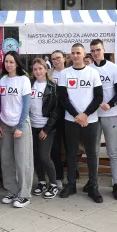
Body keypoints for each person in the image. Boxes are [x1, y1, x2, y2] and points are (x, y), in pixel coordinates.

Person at [57, 43, 104, 203]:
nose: (75, 55)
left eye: (78, 53)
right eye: (73, 53)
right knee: (71, 153)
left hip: (90, 120)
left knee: (92, 154)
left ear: (84, 55)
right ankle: (71, 184)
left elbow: (98, 97)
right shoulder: (65, 73)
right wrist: (77, 115)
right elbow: (63, 98)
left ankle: (93, 185)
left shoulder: (93, 73)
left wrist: (85, 115)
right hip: (71, 120)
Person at [89, 39, 117, 200]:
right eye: (93, 51)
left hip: (110, 114)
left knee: (112, 151)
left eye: (98, 50)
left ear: (104, 50)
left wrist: (110, 105)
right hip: (93, 116)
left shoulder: (114, 68)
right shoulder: (88, 69)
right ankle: (93, 183)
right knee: (93, 152)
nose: (96, 53)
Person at [0, 51, 33, 208]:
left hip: (20, 125)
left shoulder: (23, 80)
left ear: (17, 63)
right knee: (6, 160)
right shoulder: (3, 80)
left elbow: (26, 106)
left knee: (22, 161)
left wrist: (19, 126)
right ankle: (11, 190)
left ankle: (24, 194)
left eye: (11, 62)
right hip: (4, 125)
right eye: (6, 61)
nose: (8, 64)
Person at [30, 58, 62, 199]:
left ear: (45, 69)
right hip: (32, 125)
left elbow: (56, 111)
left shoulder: (52, 86)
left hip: (46, 127)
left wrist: (47, 129)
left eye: (40, 68)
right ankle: (42, 182)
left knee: (45, 156)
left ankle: (53, 184)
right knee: (37, 156)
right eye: (35, 69)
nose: (38, 71)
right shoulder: (30, 84)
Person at [50, 50, 68, 189]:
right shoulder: (48, 73)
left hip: (69, 113)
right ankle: (58, 177)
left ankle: (73, 174)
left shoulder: (70, 72)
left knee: (70, 146)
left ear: (64, 59)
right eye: (53, 59)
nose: (56, 61)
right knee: (55, 147)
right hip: (54, 114)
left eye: (58, 58)